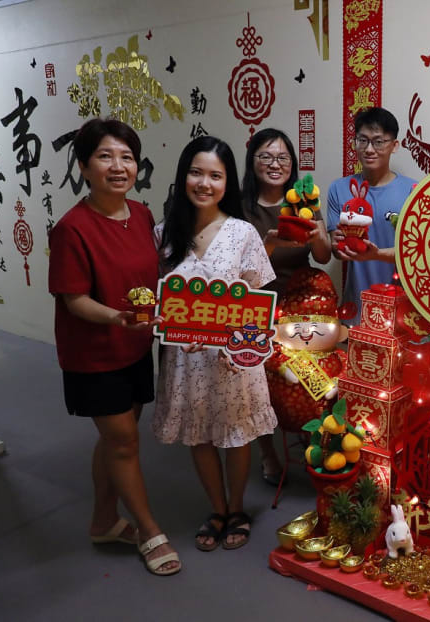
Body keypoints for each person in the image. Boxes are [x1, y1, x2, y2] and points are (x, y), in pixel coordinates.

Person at [48, 118, 181, 576]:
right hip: (94, 352)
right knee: (124, 441)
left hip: (135, 347)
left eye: (126, 156)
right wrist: (116, 317)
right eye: (105, 156)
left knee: (115, 440)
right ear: (84, 167)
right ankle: (148, 530)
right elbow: (73, 298)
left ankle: (104, 520)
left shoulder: (142, 214)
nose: (118, 166)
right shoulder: (73, 228)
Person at [152, 136, 277, 551]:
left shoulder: (243, 232)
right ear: (184, 175)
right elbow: (158, 300)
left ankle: (238, 508)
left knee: (237, 433)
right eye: (196, 172)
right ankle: (218, 508)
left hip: (233, 359)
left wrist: (229, 337)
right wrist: (167, 322)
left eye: (215, 176)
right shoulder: (163, 234)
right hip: (185, 362)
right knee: (200, 435)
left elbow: (259, 306)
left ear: (228, 183)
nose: (204, 183)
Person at [241, 129, 330, 486]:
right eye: (266, 157)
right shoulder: (240, 207)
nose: (275, 165)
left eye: (283, 158)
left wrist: (318, 235)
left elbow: (323, 257)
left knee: (313, 368)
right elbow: (242, 272)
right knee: (255, 375)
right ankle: (267, 451)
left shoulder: (304, 200)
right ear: (253, 162)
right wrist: (271, 243)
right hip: (257, 302)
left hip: (299, 301)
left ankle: (310, 432)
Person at [327, 107, 416, 326]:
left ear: (394, 145)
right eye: (362, 140)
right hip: (355, 308)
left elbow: (417, 254)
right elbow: (337, 253)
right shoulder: (339, 189)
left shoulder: (413, 191)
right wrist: (338, 245)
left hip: (401, 311)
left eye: (378, 142)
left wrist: (377, 254)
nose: (369, 149)